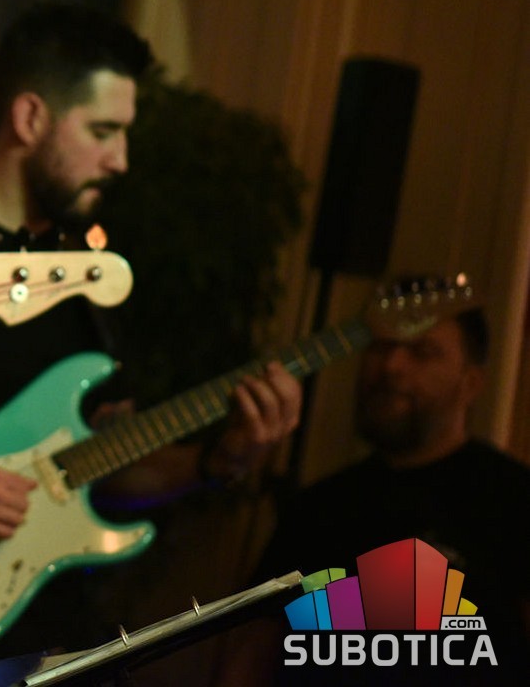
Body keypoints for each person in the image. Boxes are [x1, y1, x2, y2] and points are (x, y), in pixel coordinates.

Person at [0, 2, 304, 685]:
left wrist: (217, 459)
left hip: (55, 636)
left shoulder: (88, 271)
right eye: (103, 131)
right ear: (29, 118)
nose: (120, 160)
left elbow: (100, 471)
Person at [224, 280, 530, 685]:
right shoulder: (319, 505)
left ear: (470, 382)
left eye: (422, 351)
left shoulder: (515, 499)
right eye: (382, 346)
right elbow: (253, 653)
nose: (392, 366)